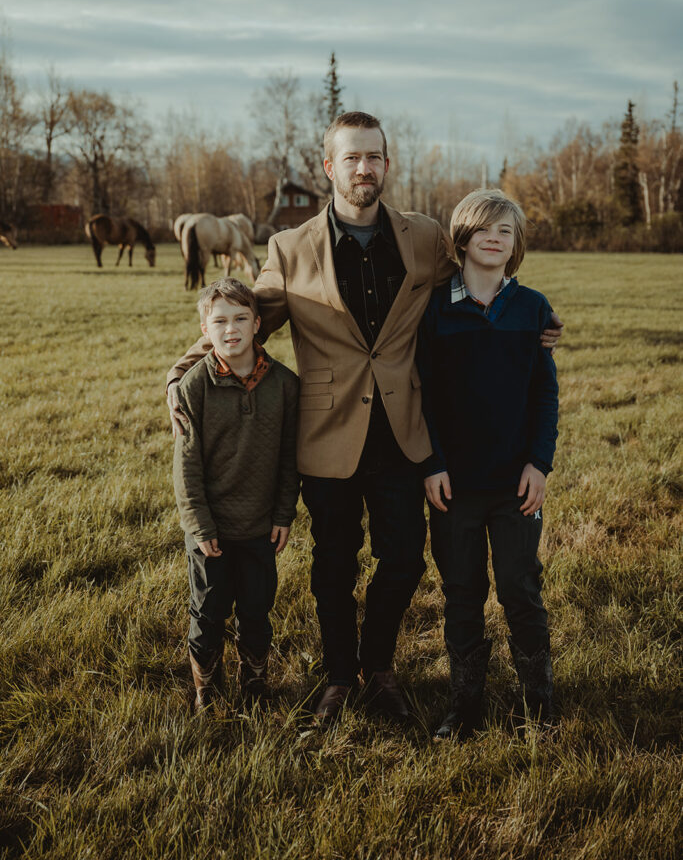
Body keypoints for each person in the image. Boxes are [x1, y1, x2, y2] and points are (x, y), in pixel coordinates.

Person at [167, 112, 563, 723]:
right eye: (351, 158)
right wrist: (183, 370)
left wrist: (538, 323)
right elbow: (247, 318)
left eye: (374, 156)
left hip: (407, 434)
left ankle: (379, 668)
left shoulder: (425, 236)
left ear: (386, 164)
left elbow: (485, 278)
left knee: (403, 562)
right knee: (333, 564)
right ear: (329, 167)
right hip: (327, 435)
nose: (364, 168)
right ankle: (338, 678)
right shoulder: (290, 248)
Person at [418, 188, 559, 740]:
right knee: (461, 590)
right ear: (462, 237)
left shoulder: (532, 308)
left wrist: (539, 464)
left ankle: (539, 705)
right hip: (452, 483)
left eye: (506, 232)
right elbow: (421, 394)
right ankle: (465, 704)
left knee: (521, 588)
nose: (495, 239)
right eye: (484, 230)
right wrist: (431, 462)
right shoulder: (435, 307)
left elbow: (544, 397)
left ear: (516, 243)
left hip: (515, 483)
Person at [173, 278, 299, 711]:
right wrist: (199, 524)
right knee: (208, 614)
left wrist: (284, 513)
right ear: (205, 330)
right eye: (219, 321)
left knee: (257, 612)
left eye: (241, 318)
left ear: (257, 324)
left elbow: (288, 458)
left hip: (261, 527)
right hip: (211, 531)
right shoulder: (194, 387)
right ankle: (206, 688)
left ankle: (255, 683)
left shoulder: (284, 384)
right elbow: (185, 465)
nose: (231, 329)